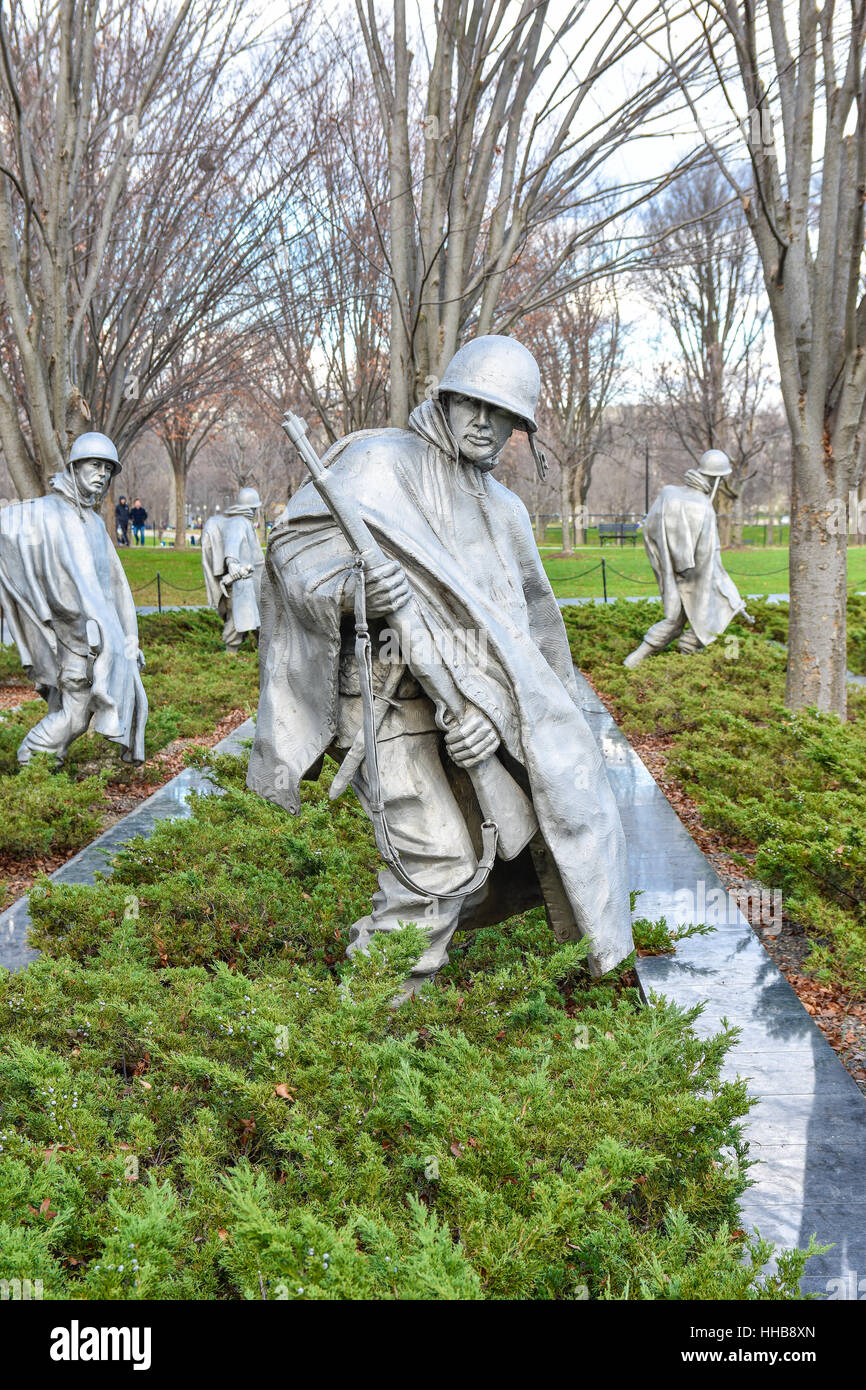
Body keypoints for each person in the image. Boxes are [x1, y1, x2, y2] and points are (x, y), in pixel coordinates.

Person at [248, 335, 633, 1001]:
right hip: (382, 703)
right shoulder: (374, 463)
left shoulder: (505, 512)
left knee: (475, 865)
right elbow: (292, 561)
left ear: (520, 428)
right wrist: (356, 591)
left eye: (503, 414)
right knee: (440, 861)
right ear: (446, 399)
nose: (485, 423)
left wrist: (494, 722)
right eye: (472, 405)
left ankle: (383, 1000)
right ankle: (366, 1023)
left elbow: (527, 639)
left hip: (464, 717)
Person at [0, 432, 148, 766]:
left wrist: (127, 639)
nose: (103, 474)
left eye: (108, 469)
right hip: (72, 638)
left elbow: (114, 589)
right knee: (76, 714)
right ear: (75, 466)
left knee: (72, 710)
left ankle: (44, 770)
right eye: (95, 465)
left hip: (95, 640)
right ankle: (31, 759)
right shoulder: (47, 512)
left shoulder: (94, 523)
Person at [623, 449, 749, 668]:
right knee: (688, 618)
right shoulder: (705, 508)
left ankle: (671, 662)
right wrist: (730, 594)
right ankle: (673, 661)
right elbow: (710, 558)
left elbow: (649, 530)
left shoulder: (667, 493)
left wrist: (667, 559)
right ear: (717, 478)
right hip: (691, 574)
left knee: (676, 619)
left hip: (667, 568)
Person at [201, 488, 265, 651]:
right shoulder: (239, 522)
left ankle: (260, 648)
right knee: (238, 619)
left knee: (256, 616)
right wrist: (233, 564)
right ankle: (231, 656)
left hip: (252, 580)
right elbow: (232, 544)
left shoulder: (244, 522)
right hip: (243, 581)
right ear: (252, 508)